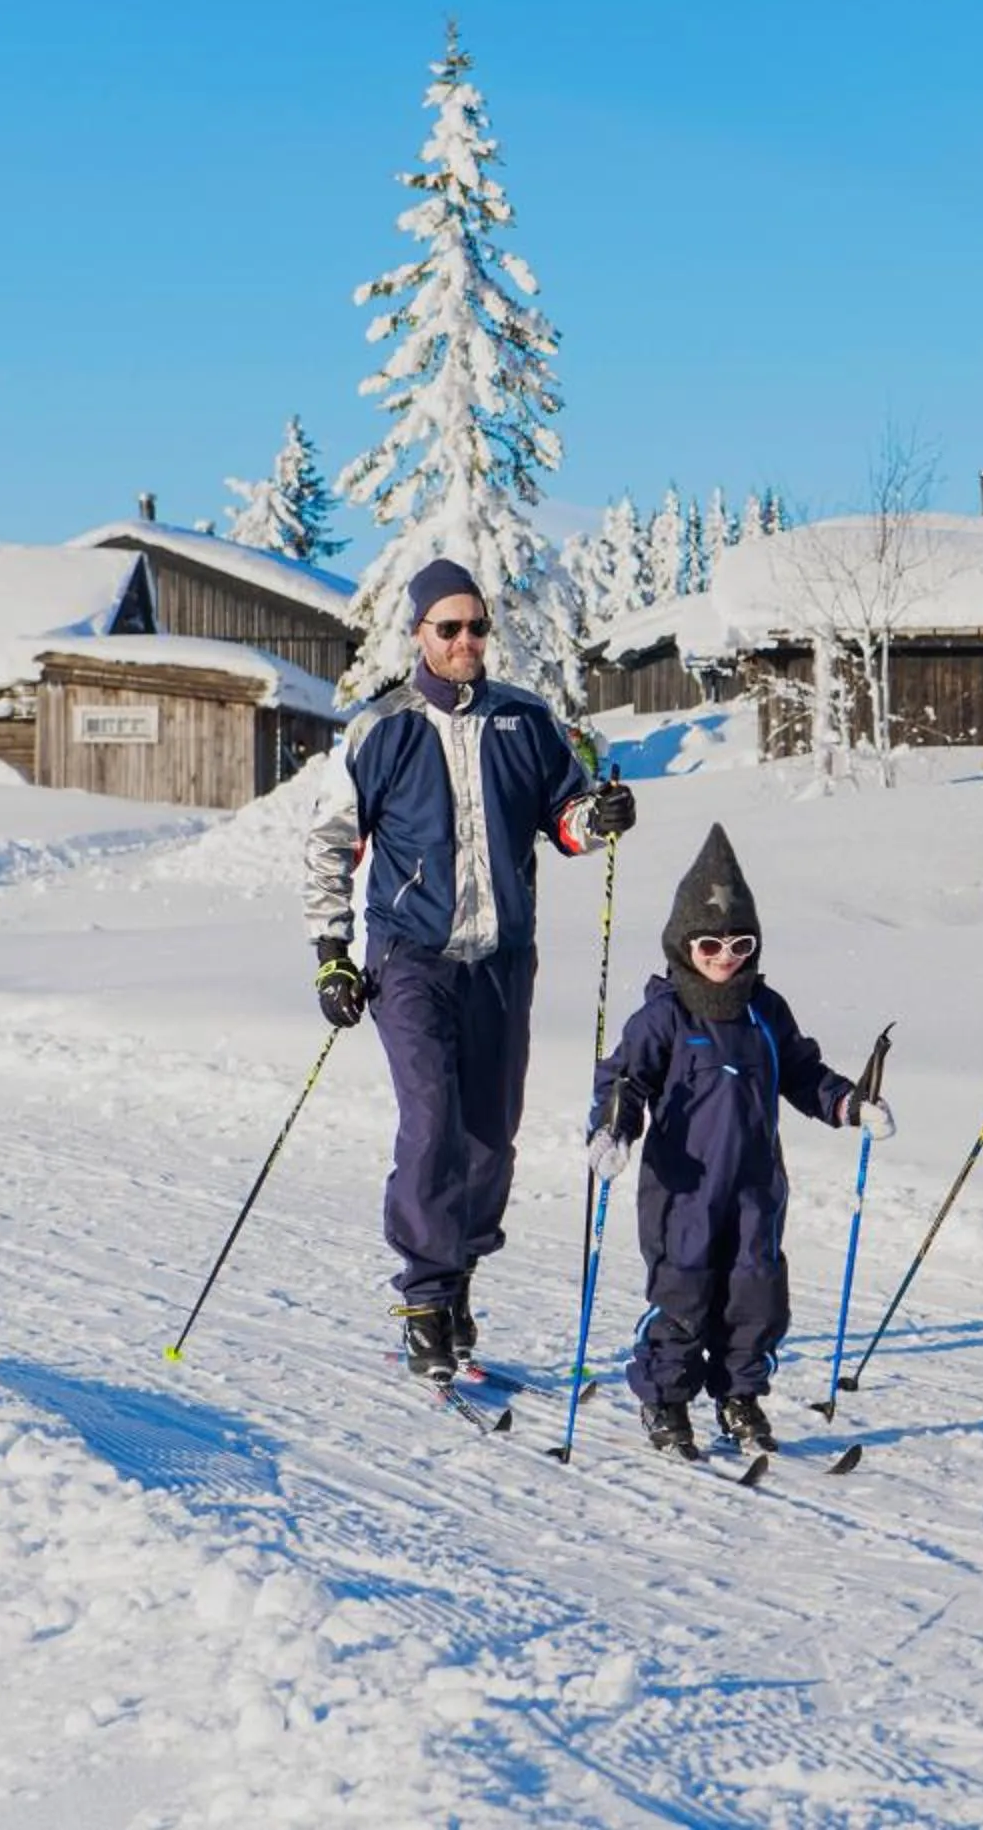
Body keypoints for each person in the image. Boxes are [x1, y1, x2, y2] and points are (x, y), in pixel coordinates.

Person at [304, 558, 636, 1382]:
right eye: (447, 628)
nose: (464, 642)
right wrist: (330, 955)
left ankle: (457, 1284)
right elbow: (330, 843)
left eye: (476, 627)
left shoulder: (525, 721)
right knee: (432, 1119)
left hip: (502, 958)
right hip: (409, 956)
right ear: (418, 633)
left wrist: (599, 817)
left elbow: (563, 823)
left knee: (491, 1134)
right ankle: (423, 1295)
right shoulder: (381, 727)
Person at [590, 824, 891, 1459]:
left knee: (755, 1293)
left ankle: (739, 1397)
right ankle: (666, 1401)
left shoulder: (765, 1009)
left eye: (739, 942)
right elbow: (625, 1080)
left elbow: (804, 1073)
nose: (725, 955)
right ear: (682, 945)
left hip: (756, 1185)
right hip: (683, 1192)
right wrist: (613, 1129)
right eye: (709, 943)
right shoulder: (665, 1016)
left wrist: (849, 1106)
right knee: (684, 1293)